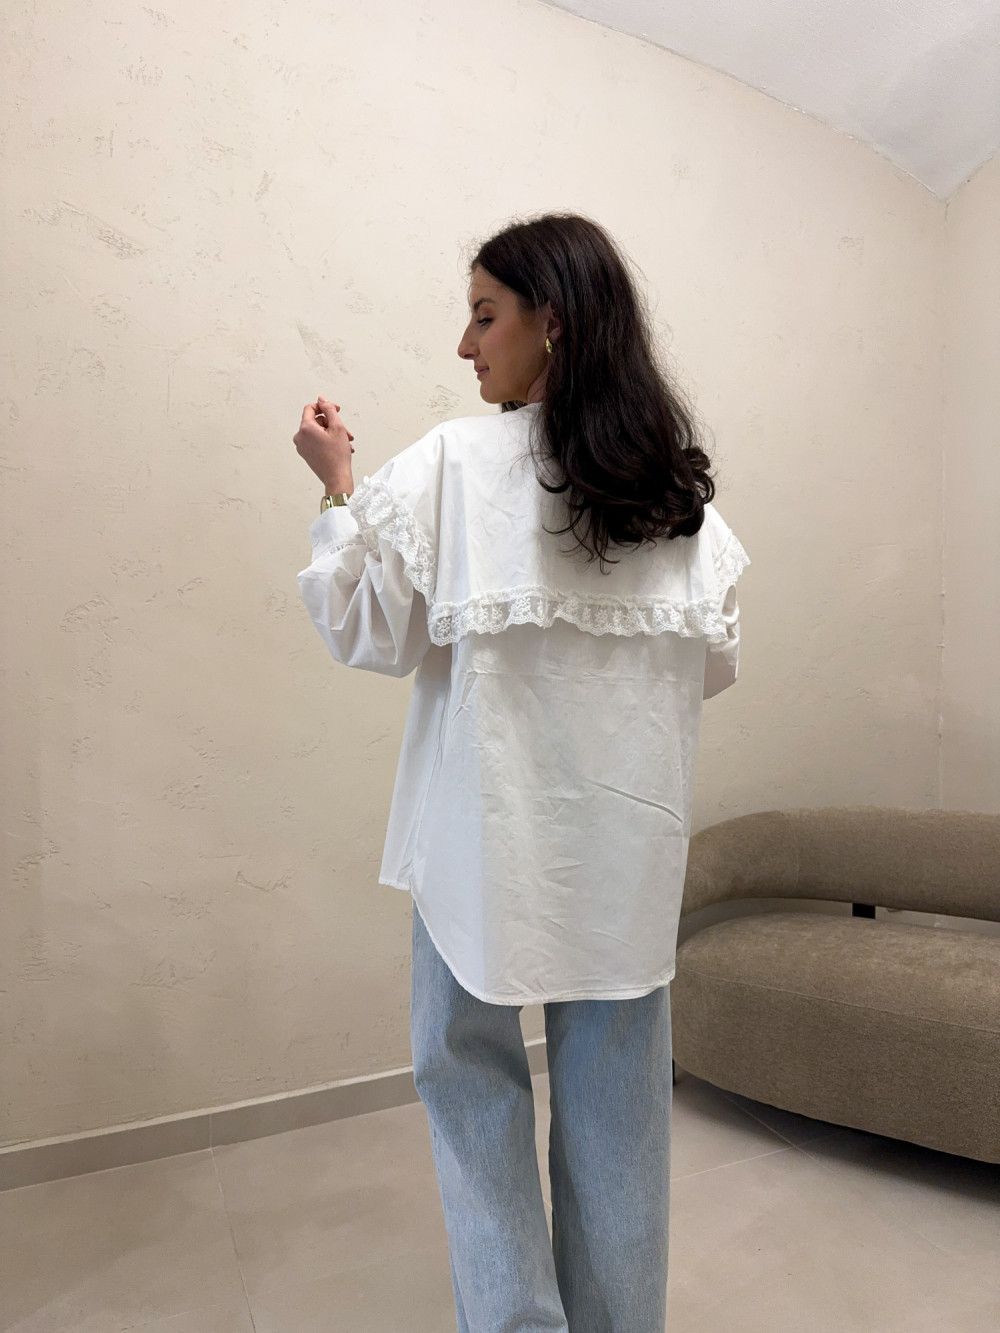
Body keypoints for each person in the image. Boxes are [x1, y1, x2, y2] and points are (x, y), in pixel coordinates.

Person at [293, 212, 749, 1333]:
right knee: (620, 1113)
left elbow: (365, 627)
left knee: (470, 1086)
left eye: (483, 314)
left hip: (479, 847)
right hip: (625, 859)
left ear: (556, 321)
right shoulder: (681, 507)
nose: (465, 345)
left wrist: (337, 487)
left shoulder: (456, 464)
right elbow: (711, 670)